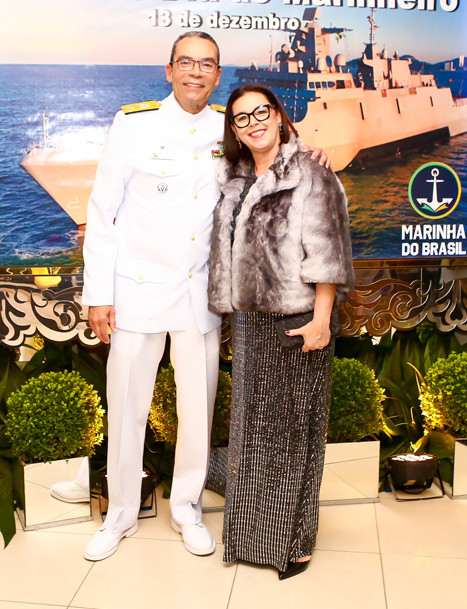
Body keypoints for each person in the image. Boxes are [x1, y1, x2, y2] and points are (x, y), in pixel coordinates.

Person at [77, 31, 227, 561]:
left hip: (198, 293)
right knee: (127, 406)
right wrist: (99, 294)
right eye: (186, 62)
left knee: (197, 408)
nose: (195, 72)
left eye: (206, 64)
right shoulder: (134, 123)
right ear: (169, 70)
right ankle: (120, 513)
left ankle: (187, 507)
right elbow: (102, 212)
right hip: (137, 289)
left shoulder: (227, 127)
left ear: (217, 75)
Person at [208, 83, 355, 580]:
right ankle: (250, 539)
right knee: (253, 435)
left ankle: (296, 543)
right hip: (251, 323)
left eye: (261, 112)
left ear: (278, 115)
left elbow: (329, 251)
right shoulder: (233, 177)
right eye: (241, 117)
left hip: (298, 319)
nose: (253, 123)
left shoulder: (311, 171)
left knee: (295, 437)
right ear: (233, 129)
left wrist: (321, 320)